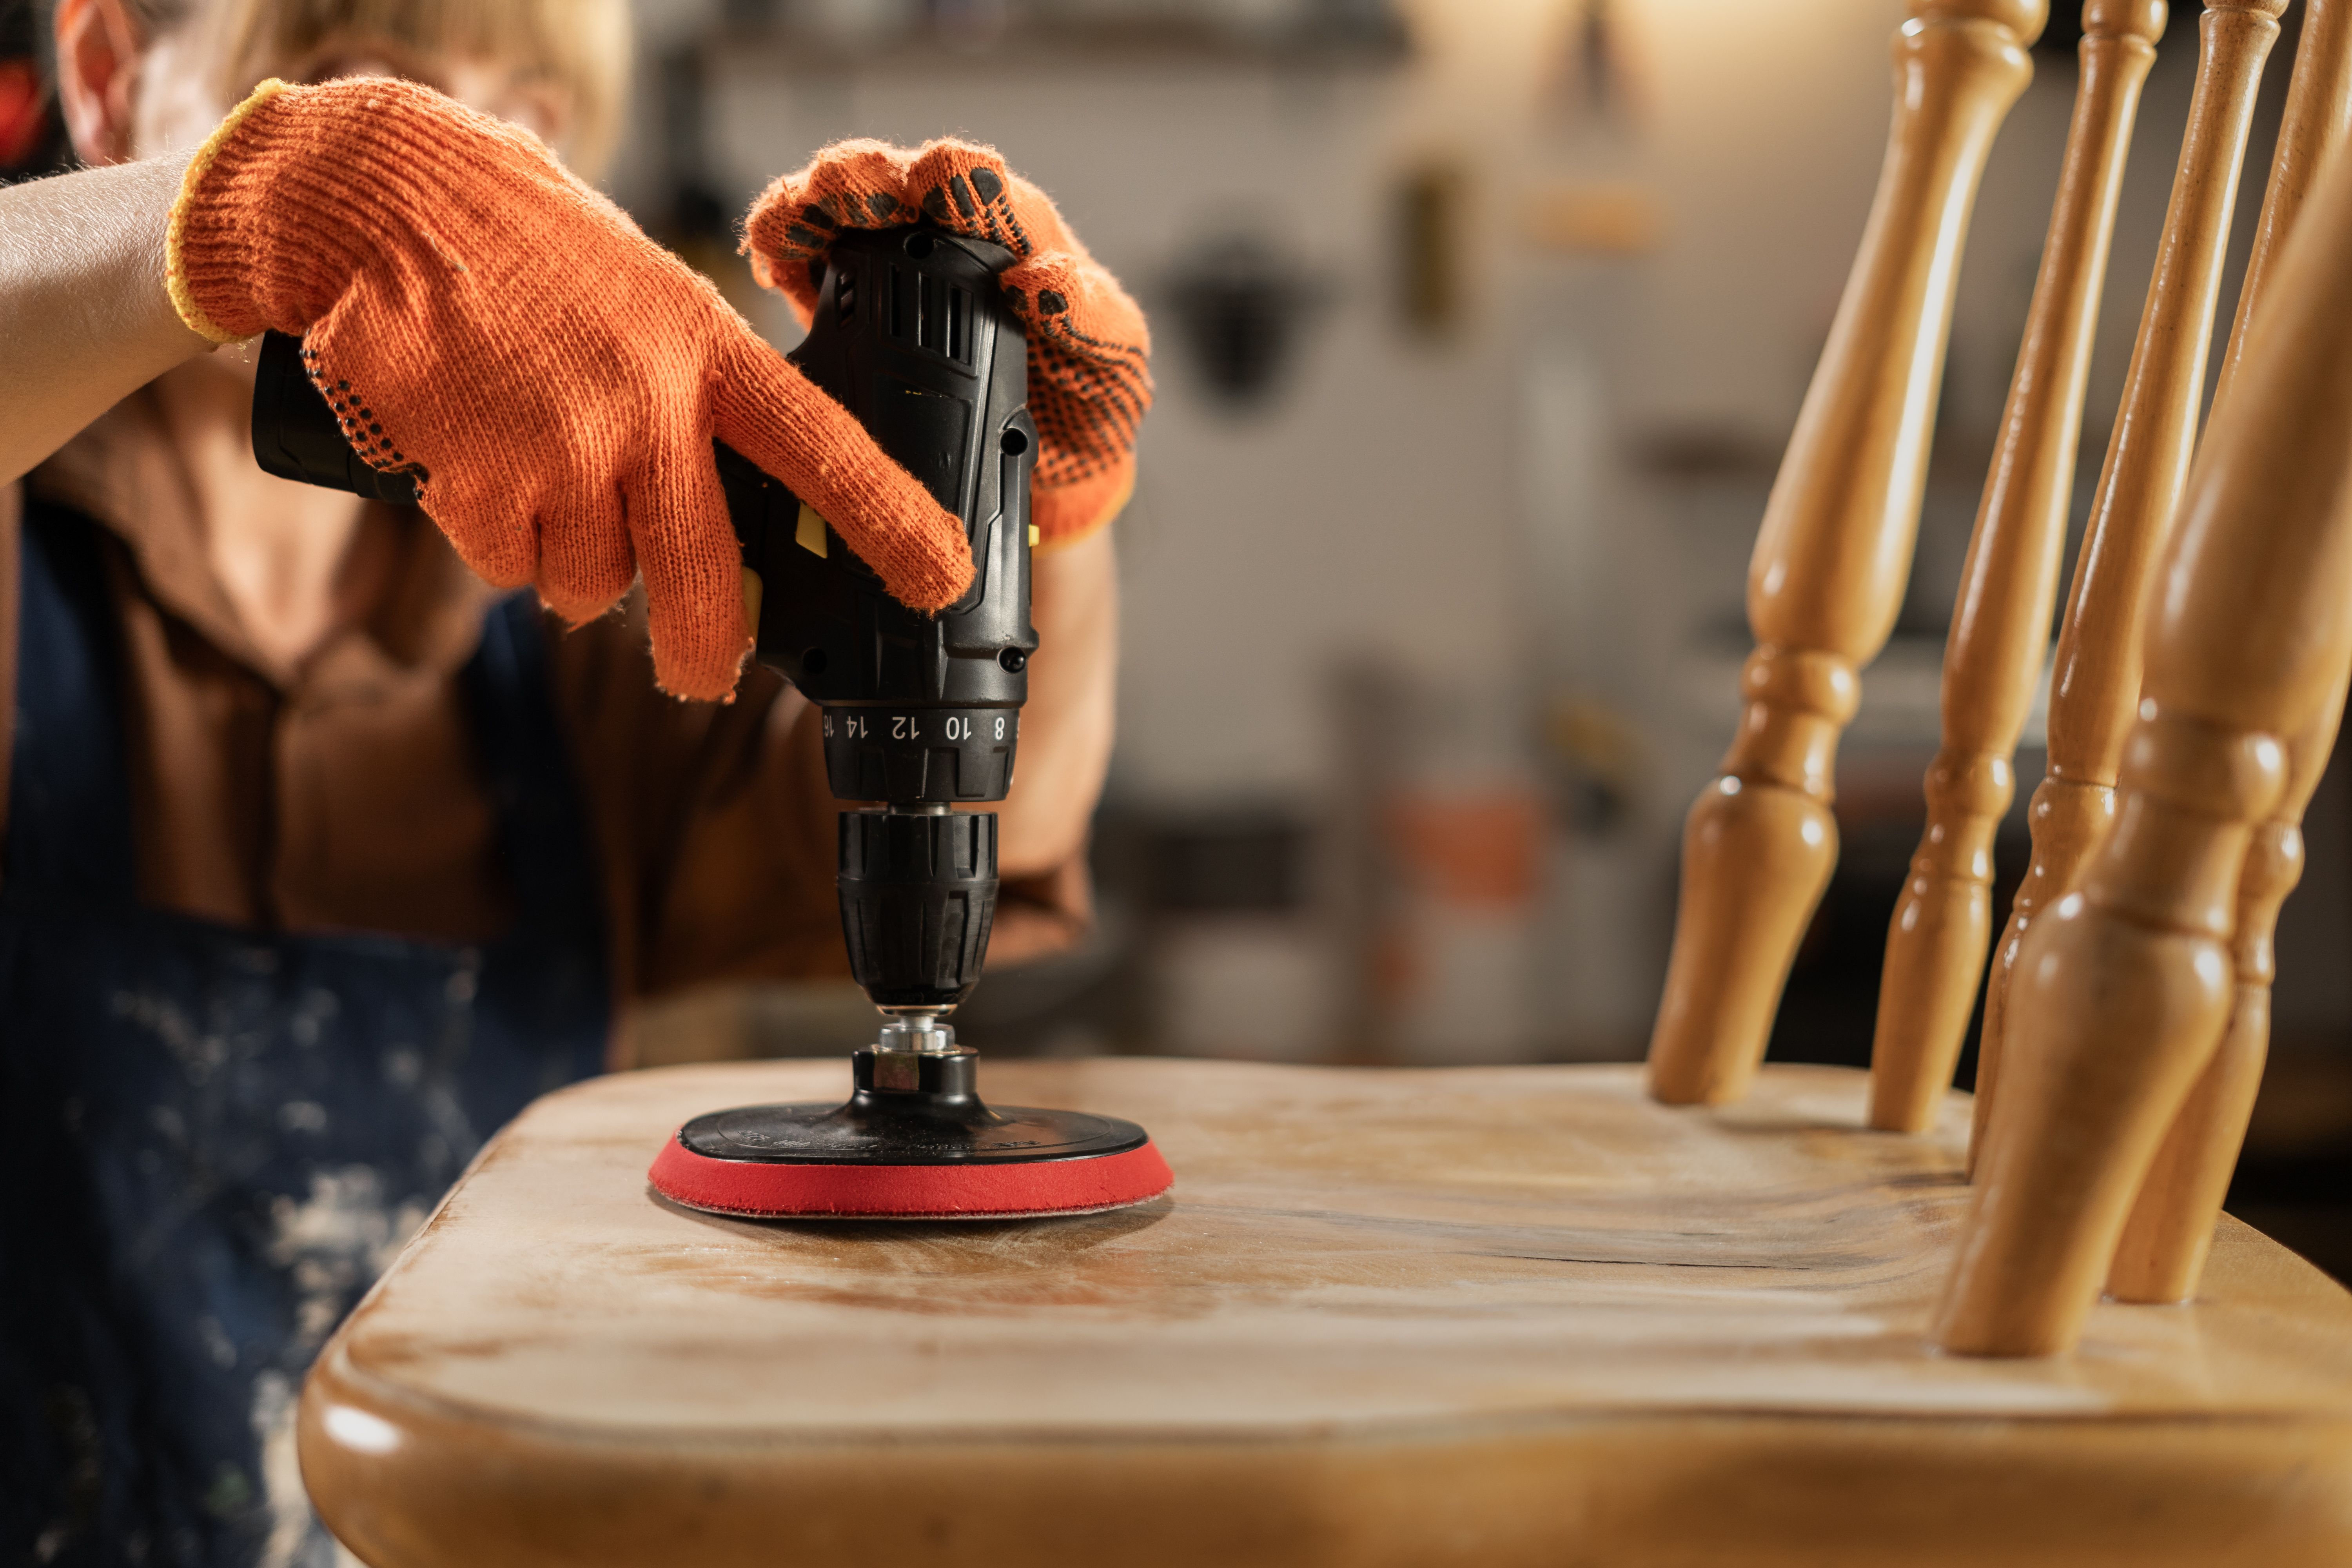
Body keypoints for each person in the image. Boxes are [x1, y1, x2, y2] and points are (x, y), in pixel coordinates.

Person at [0, 0, 1151, 1561]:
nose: (485, 148)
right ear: (105, 70)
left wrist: (1027, 509)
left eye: (525, 109)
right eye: (373, 71)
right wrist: (268, 205)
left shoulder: (593, 633)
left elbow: (1016, 809)